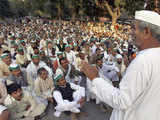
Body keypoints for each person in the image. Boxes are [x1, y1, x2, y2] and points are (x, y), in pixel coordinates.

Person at [81, 10, 160, 120]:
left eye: (133, 28)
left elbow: (122, 100)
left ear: (146, 31)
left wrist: (95, 79)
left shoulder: (143, 60)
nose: (130, 32)